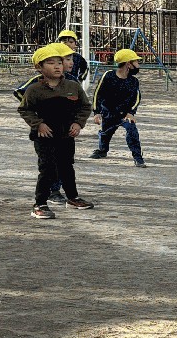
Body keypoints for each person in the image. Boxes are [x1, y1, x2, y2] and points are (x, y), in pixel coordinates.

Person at [17, 42, 94, 220]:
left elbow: (85, 107)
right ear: (39, 67)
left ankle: (73, 198)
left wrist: (78, 124)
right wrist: (38, 124)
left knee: (67, 167)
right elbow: (25, 110)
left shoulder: (73, 87)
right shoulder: (34, 90)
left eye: (59, 62)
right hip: (44, 137)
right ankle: (40, 203)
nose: (57, 66)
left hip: (66, 136)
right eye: (51, 63)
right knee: (47, 168)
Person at [87, 49, 148, 166]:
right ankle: (102, 150)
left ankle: (138, 157)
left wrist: (131, 113)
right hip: (108, 113)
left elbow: (136, 99)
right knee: (105, 134)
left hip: (125, 114)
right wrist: (97, 112)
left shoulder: (134, 81)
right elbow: (97, 94)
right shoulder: (108, 76)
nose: (138, 65)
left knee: (132, 131)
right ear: (128, 64)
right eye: (136, 62)